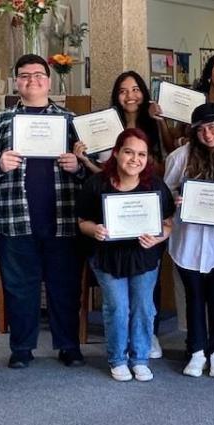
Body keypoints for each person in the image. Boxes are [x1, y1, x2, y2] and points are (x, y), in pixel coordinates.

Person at [0, 54, 85, 369]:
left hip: (62, 220)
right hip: (14, 218)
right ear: (16, 81)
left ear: (49, 80)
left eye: (38, 74)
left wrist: (77, 166)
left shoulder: (71, 122)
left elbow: (95, 169)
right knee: (18, 287)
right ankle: (21, 348)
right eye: (24, 75)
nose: (32, 80)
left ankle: (68, 346)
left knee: (64, 288)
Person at [77, 128, 175, 382]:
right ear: (117, 153)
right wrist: (94, 229)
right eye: (129, 152)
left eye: (141, 154)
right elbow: (81, 222)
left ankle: (140, 358)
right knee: (117, 308)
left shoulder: (155, 185)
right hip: (107, 256)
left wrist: (158, 237)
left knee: (143, 307)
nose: (135, 159)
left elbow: (168, 223)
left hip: (143, 256)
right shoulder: (96, 184)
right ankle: (118, 358)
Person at [163, 103, 214, 378]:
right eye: (201, 129)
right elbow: (166, 191)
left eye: (213, 128)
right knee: (194, 295)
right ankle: (196, 349)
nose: (208, 134)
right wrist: (176, 200)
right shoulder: (180, 157)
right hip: (188, 238)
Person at [74, 70, 174, 174]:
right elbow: (104, 173)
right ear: (116, 96)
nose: (130, 96)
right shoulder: (108, 125)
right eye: (123, 91)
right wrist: (87, 162)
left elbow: (171, 159)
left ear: (143, 92)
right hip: (116, 188)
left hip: (150, 187)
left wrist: (161, 120)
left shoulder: (155, 122)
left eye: (135, 89)